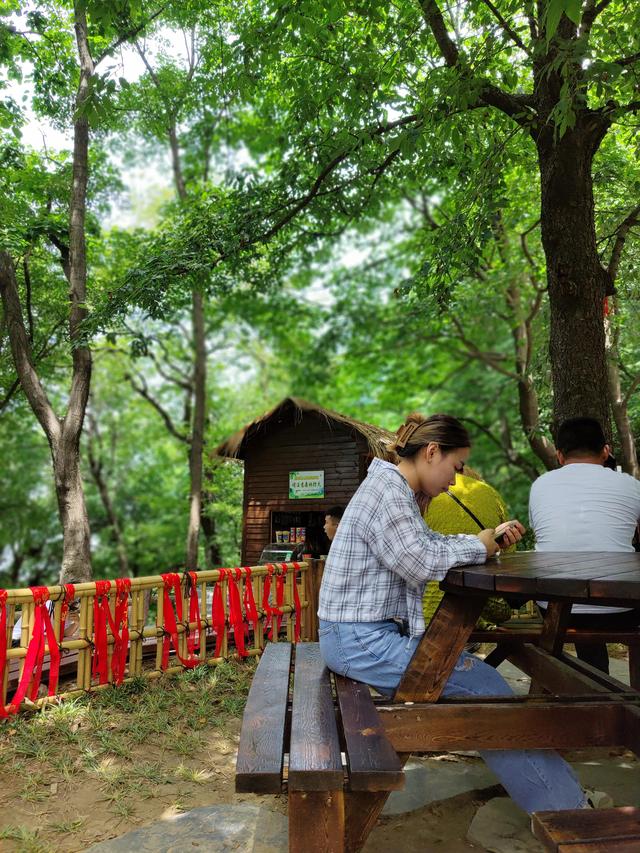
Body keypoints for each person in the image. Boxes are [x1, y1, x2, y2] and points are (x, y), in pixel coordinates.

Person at [318, 412, 590, 815]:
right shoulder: (388, 492)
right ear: (432, 452)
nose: (454, 479)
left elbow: (430, 542)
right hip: (357, 640)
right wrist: (480, 546)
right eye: (455, 466)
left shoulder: (392, 489)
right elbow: (420, 560)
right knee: (485, 687)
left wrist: (484, 541)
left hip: (358, 636)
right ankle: (567, 810)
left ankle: (562, 799)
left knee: (482, 683)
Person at [529, 416, 640, 673]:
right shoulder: (631, 485)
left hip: (555, 609)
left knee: (577, 595)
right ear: (606, 451)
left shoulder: (540, 486)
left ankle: (595, 683)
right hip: (622, 609)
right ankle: (607, 688)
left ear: (559, 455)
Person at [423, 469, 515, 628]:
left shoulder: (420, 496)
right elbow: (509, 561)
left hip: (427, 611)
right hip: (477, 612)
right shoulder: (489, 493)